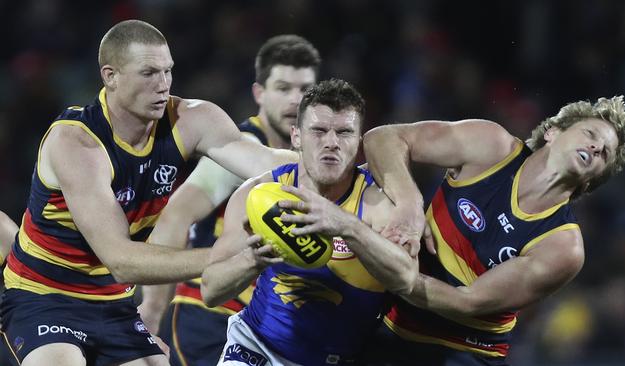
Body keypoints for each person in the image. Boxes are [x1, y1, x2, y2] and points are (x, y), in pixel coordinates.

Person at [0, 19, 296, 366]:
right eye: (148, 73)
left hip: (113, 302)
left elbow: (271, 165)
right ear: (110, 76)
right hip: (44, 295)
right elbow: (122, 260)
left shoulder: (191, 119)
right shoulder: (76, 142)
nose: (163, 85)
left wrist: (349, 169)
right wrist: (225, 256)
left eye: (168, 71)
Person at [356, 96, 625, 365]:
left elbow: (466, 302)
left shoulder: (563, 246)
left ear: (592, 182)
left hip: (462, 349)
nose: (595, 148)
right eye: (590, 134)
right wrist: (408, 204)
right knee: (368, 183)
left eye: (604, 154)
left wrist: (389, 267)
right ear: (552, 132)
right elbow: (383, 138)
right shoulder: (490, 145)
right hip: (390, 312)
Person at [200, 79, 417, 366]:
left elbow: (406, 278)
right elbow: (211, 290)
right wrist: (253, 259)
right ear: (296, 136)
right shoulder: (259, 195)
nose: (331, 142)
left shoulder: (377, 204)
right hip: (256, 347)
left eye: (344, 133)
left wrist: (346, 225)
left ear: (359, 142)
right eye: (318, 130)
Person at [138, 34, 321, 366]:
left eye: (305, 90)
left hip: (266, 324)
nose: (296, 101)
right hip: (211, 318)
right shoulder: (243, 148)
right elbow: (176, 214)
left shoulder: (312, 158)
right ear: (259, 93)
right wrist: (150, 317)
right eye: (283, 89)